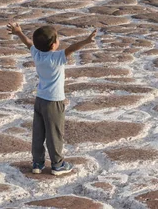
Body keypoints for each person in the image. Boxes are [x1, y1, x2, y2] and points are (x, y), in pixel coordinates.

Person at [7, 22, 97, 175]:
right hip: (54, 101)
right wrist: (86, 41)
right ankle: (57, 164)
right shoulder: (57, 57)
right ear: (54, 44)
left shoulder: (37, 54)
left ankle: (37, 163)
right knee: (54, 133)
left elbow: (28, 43)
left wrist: (19, 32)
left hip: (40, 100)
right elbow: (72, 48)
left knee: (38, 132)